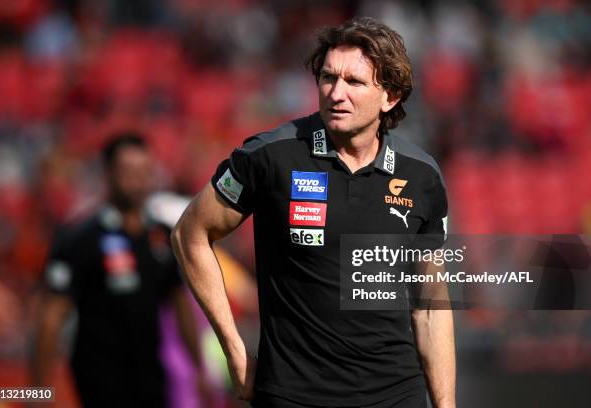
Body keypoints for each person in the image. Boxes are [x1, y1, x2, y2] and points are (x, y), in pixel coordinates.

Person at [171, 17, 456, 408]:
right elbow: (190, 235)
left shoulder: (421, 175)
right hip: (293, 395)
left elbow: (430, 308)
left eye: (354, 82)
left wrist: (445, 404)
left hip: (395, 395)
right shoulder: (270, 156)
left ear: (390, 96)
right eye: (328, 78)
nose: (336, 93)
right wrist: (233, 350)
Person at [33, 133, 209, 408]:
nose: (138, 181)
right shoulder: (79, 239)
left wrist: (199, 370)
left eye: (145, 172)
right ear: (109, 174)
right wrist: (38, 393)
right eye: (128, 172)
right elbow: (52, 318)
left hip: (151, 376)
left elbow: (179, 305)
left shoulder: (163, 236)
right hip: (99, 378)